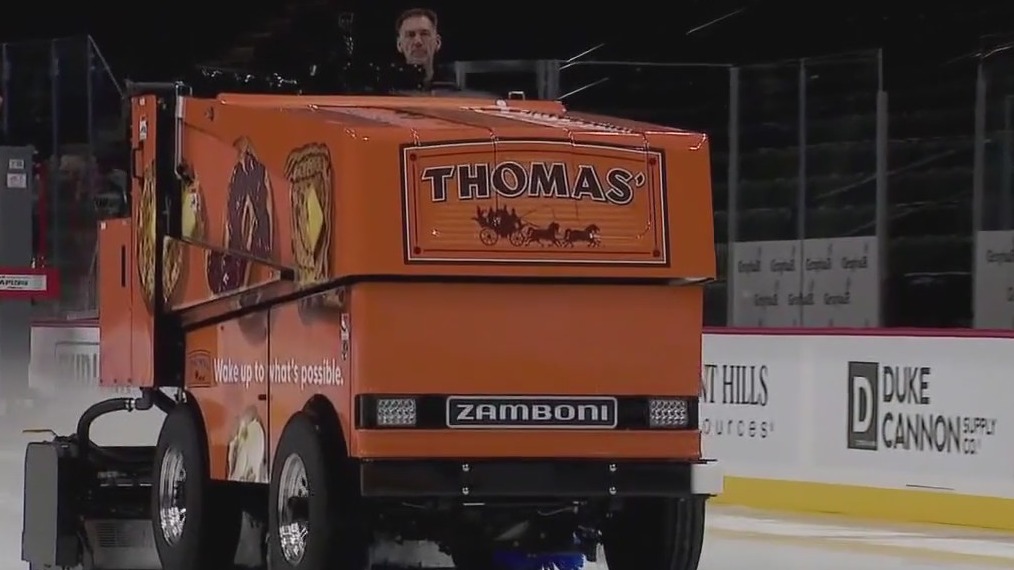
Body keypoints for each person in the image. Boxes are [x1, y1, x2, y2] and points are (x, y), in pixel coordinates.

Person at [395, 8, 442, 86]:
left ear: (437, 42)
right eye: (410, 35)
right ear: (399, 45)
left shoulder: (456, 94)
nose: (418, 42)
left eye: (424, 34)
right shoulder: (385, 94)